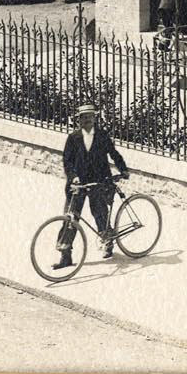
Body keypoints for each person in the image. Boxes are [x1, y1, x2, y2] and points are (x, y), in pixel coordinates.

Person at [57, 103, 130, 268]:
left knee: (100, 213)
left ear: (95, 118)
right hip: (78, 185)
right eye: (84, 117)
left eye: (90, 117)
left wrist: (123, 170)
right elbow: (67, 162)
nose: (87, 120)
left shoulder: (102, 136)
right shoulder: (73, 138)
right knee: (71, 218)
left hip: (98, 181)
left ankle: (108, 241)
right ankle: (65, 254)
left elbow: (113, 154)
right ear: (79, 120)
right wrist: (73, 177)